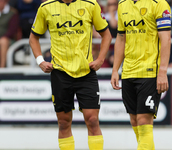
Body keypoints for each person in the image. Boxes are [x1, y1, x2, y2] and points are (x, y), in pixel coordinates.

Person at [29, 0, 112, 150]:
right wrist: (40, 60)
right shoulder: (46, 7)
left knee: (92, 119)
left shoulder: (90, 4)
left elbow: (106, 35)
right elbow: (33, 38)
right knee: (63, 122)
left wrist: (100, 59)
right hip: (60, 73)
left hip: (86, 72)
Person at [111, 0, 171, 149]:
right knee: (135, 120)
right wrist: (115, 70)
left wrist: (162, 71)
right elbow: (121, 38)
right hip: (128, 71)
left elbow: (166, 38)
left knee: (144, 121)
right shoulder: (123, 4)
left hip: (150, 71)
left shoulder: (159, 4)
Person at [0, 0, 19, 67]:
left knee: (3, 41)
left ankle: (2, 68)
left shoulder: (12, 13)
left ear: (5, 2)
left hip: (8, 40)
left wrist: (2, 37)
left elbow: (12, 31)